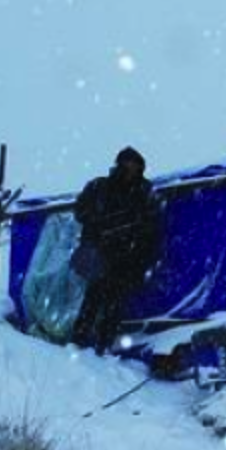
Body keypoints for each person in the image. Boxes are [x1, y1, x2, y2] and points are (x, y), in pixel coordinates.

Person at [70, 147, 164, 353]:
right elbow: (80, 211)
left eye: (135, 166)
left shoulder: (145, 191)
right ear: (119, 164)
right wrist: (100, 224)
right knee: (93, 298)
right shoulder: (99, 186)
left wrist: (141, 254)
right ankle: (78, 342)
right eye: (127, 164)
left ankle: (102, 347)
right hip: (100, 254)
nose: (131, 169)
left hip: (127, 259)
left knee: (114, 304)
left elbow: (152, 227)